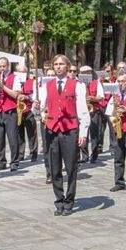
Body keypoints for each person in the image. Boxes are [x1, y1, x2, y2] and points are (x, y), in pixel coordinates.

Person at [34, 54, 90, 216]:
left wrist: (83, 132)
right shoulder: (46, 86)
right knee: (54, 168)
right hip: (52, 130)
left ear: (67, 67)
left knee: (71, 167)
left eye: (61, 64)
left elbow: (83, 111)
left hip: (70, 130)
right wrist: (36, 107)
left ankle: (69, 201)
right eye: (56, 64)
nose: (58, 67)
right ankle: (59, 200)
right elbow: (38, 110)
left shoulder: (77, 86)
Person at [0, 57, 20, 172]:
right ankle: (1, 162)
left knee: (12, 137)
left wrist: (3, 87)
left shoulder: (15, 78)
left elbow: (15, 95)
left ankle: (14, 162)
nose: (2, 69)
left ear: (8, 66)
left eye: (4, 66)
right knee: (0, 138)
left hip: (10, 111)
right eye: (0, 66)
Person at [79, 65, 104, 163]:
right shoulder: (78, 83)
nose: (86, 74)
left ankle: (94, 155)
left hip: (94, 111)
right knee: (83, 133)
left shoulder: (96, 82)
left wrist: (92, 98)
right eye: (84, 73)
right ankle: (84, 156)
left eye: (88, 72)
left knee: (94, 134)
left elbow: (101, 97)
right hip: (82, 110)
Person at [16, 65, 38, 162]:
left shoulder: (32, 82)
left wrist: (26, 97)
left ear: (27, 72)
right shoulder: (15, 82)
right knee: (19, 134)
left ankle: (33, 152)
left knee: (32, 133)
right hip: (18, 110)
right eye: (19, 72)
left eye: (23, 72)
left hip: (29, 110)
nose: (21, 74)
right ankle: (21, 154)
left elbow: (34, 96)